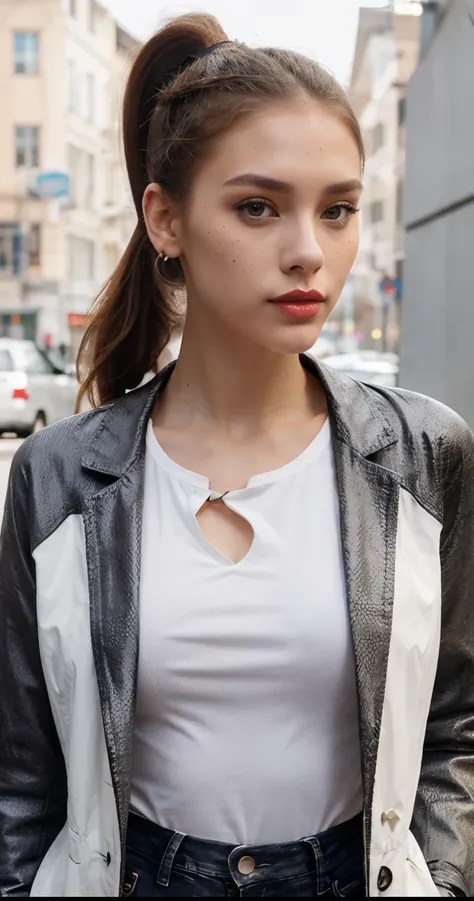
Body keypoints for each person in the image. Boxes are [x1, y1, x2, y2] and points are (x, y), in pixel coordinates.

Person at [0, 13, 473, 900]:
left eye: (337, 209)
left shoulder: (423, 455)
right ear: (165, 219)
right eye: (257, 206)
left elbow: (454, 727)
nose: (309, 252)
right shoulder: (57, 476)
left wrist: (441, 882)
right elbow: (22, 779)